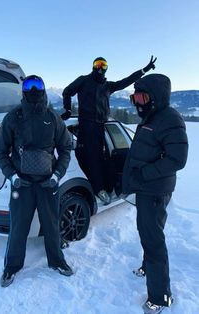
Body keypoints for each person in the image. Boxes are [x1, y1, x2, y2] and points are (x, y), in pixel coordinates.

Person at [0, 75, 73, 288]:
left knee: (52, 225)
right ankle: (11, 268)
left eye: (37, 85)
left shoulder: (53, 117)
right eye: (29, 85)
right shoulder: (14, 117)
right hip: (22, 184)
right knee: (18, 227)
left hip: (48, 184)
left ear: (44, 89)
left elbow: (66, 148)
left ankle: (57, 261)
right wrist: (13, 176)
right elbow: (1, 151)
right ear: (23, 91)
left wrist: (57, 175)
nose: (33, 90)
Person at [122, 74, 188, 313]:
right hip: (148, 189)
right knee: (148, 231)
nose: (138, 103)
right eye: (134, 98)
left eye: (142, 97)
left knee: (153, 240)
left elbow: (177, 159)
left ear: (156, 97)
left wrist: (145, 174)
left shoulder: (169, 119)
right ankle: (148, 267)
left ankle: (160, 297)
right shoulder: (152, 116)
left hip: (155, 189)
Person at [61, 56, 157, 205]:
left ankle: (108, 187)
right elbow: (67, 91)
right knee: (93, 158)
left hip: (101, 126)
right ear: (93, 66)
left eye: (103, 65)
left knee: (102, 158)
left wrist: (143, 70)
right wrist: (67, 109)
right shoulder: (83, 80)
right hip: (87, 125)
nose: (100, 67)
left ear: (106, 68)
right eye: (97, 64)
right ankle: (99, 189)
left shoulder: (108, 86)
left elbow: (126, 81)